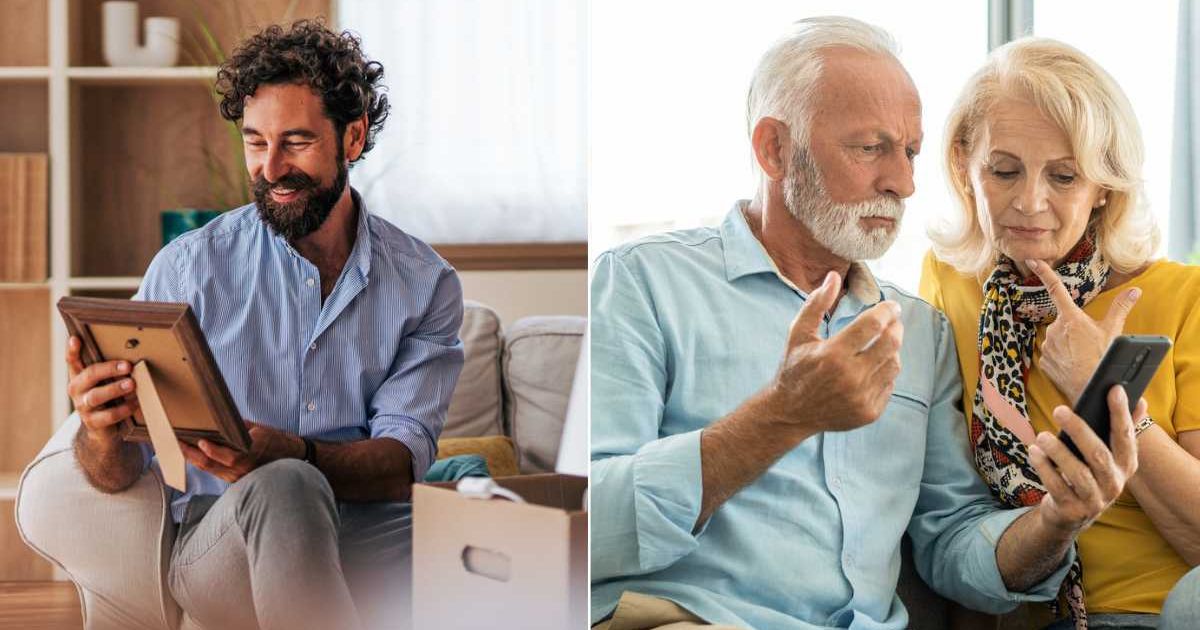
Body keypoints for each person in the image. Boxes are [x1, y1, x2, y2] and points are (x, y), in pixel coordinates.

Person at [590, 17, 1141, 630]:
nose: (903, 183)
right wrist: (781, 417)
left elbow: (953, 542)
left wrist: (1055, 520)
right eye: (870, 148)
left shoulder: (920, 331)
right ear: (775, 149)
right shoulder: (644, 283)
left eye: (908, 152)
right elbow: (586, 528)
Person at [65, 20, 464, 629]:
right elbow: (120, 473)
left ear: (352, 137)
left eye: (296, 142)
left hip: (370, 536)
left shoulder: (424, 284)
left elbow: (398, 462)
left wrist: (298, 452)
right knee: (286, 487)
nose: (270, 167)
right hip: (224, 541)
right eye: (255, 142)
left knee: (485, 540)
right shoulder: (188, 269)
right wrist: (99, 433)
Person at [920, 37, 1200, 630]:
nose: (1029, 201)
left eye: (1065, 176)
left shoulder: (1185, 295)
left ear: (1105, 186)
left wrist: (1106, 391)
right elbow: (950, 498)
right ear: (964, 166)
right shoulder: (951, 287)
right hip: (1028, 607)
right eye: (1004, 170)